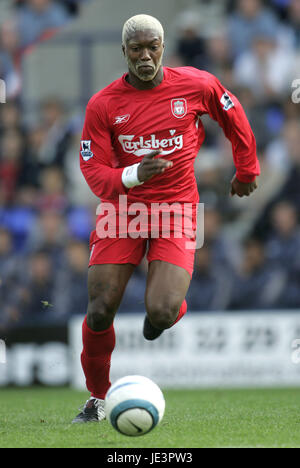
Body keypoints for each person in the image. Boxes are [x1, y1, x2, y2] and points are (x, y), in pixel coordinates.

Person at [73, 14, 259, 423]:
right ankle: (96, 399)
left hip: (176, 210)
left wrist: (246, 169)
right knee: (101, 307)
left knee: (159, 312)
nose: (144, 56)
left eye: (151, 47)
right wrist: (134, 173)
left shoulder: (196, 84)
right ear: (124, 52)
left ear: (163, 46)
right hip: (123, 211)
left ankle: (168, 311)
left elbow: (234, 114)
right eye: (136, 48)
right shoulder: (103, 105)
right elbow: (95, 172)